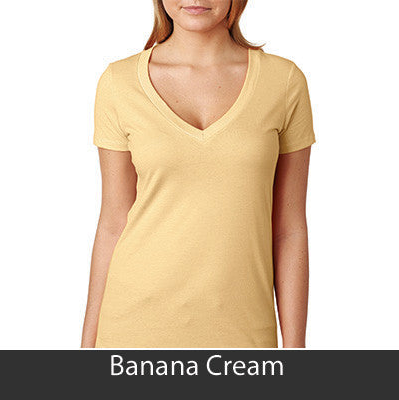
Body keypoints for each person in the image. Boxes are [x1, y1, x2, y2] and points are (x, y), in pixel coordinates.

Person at [81, 0, 316, 348]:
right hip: (132, 330)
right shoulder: (119, 82)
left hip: (244, 335)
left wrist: (296, 351)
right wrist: (86, 348)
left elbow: (289, 229)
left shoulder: (283, 82)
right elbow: (114, 222)